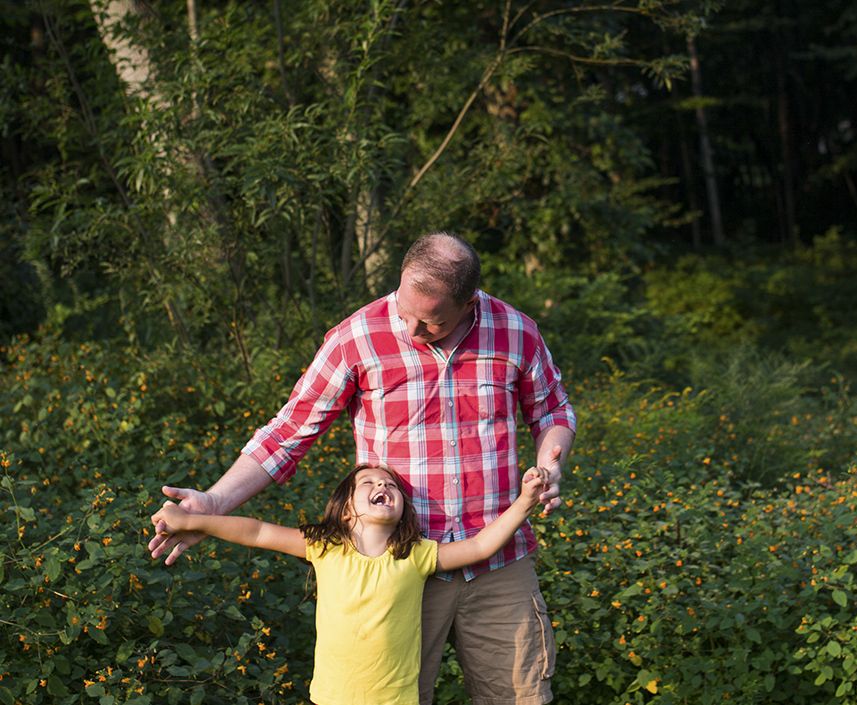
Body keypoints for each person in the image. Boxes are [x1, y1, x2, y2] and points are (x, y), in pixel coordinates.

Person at [148, 232, 576, 704]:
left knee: (519, 697)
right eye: (405, 313)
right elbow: (289, 432)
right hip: (393, 569)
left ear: (470, 302)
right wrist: (215, 501)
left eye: (430, 323)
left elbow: (552, 411)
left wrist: (549, 462)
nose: (411, 332)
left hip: (499, 564)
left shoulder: (515, 330)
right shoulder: (356, 337)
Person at [151, 463, 545, 705]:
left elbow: (480, 545)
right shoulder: (324, 548)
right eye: (369, 483)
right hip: (334, 698)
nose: (383, 486)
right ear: (345, 508)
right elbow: (255, 532)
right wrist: (192, 520)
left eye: (390, 485)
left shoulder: (417, 554)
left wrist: (525, 501)